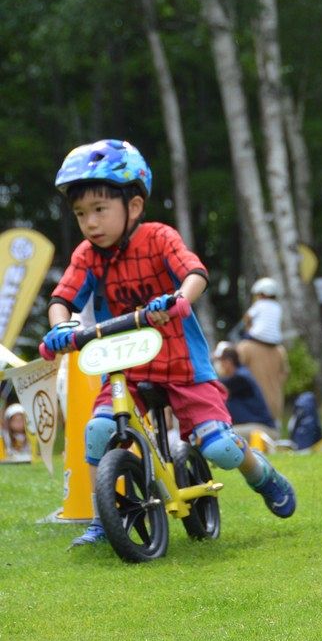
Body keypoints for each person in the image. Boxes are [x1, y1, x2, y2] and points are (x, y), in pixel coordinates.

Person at [44, 139, 296, 548]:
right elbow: (62, 298)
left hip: (181, 362)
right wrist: (59, 328)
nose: (90, 222)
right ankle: (101, 516)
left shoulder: (159, 238)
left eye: (99, 210)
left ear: (135, 206)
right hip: (126, 363)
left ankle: (261, 474)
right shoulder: (88, 255)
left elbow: (194, 272)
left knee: (219, 447)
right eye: (80, 214)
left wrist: (179, 298)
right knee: (98, 429)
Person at [237, 277, 288, 425]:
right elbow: (284, 375)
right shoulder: (280, 351)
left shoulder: (245, 348)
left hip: (252, 413)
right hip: (274, 410)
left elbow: (247, 318)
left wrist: (246, 327)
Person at [212, 342, 278, 440]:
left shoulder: (241, 378)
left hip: (263, 430)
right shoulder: (240, 375)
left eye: (220, 361)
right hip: (252, 428)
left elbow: (215, 387)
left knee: (221, 435)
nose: (219, 365)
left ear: (228, 362)